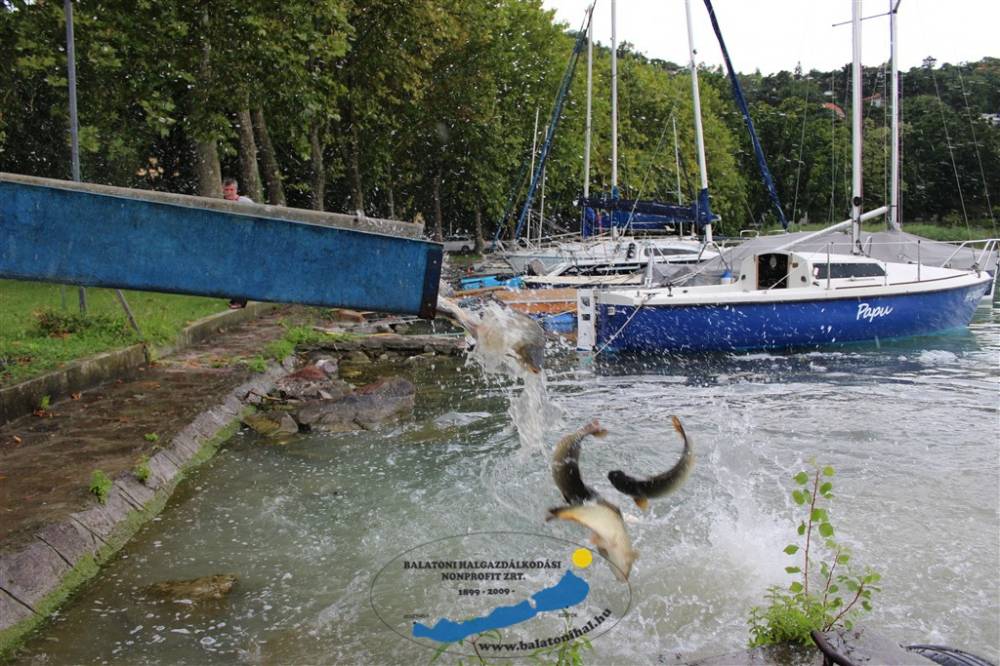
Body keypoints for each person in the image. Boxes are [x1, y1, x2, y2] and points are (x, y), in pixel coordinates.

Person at [222, 177, 252, 308]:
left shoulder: (245, 202)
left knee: (239, 269)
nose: (229, 192)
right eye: (226, 190)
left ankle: (240, 300)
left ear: (236, 190)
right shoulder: (220, 203)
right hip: (229, 241)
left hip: (243, 240)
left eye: (231, 189)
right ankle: (234, 297)